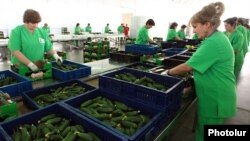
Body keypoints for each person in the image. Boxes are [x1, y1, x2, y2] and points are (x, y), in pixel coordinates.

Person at [161, 2, 236, 141]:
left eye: (195, 27)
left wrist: (168, 73)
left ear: (207, 24)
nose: (194, 31)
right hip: (214, 94)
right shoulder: (215, 38)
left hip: (215, 98)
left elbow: (188, 66)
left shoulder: (214, 42)